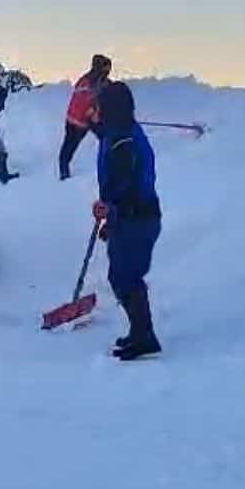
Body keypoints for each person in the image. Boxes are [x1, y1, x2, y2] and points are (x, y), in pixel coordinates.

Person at [93, 81, 163, 361]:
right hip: (132, 217)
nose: (95, 109)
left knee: (125, 277)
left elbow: (124, 181)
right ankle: (140, 332)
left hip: (137, 218)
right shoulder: (119, 131)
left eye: (99, 105)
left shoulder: (123, 138)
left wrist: (107, 206)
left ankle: (145, 336)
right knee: (121, 275)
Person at [59, 54, 112, 180]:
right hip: (75, 122)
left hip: (89, 120)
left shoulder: (104, 82)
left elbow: (109, 95)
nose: (108, 72)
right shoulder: (86, 82)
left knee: (107, 137)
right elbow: (81, 103)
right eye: (106, 69)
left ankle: (111, 163)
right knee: (70, 145)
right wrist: (92, 112)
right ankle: (64, 171)